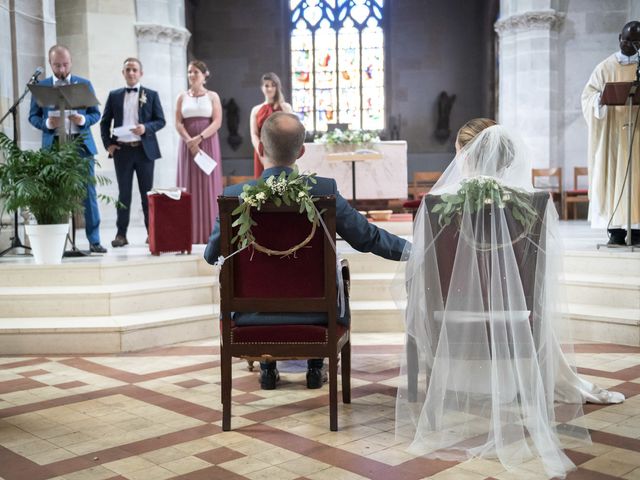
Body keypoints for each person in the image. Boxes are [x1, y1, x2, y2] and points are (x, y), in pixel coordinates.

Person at [394, 119, 624, 479]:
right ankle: (525, 386)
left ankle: (429, 395)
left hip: (451, 317)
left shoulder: (440, 203)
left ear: (465, 157)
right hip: (515, 317)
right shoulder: (532, 203)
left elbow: (423, 272)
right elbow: (541, 276)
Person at [205, 112, 407, 390]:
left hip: (249, 316)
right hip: (316, 316)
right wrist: (416, 250)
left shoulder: (235, 195)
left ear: (261, 148)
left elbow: (210, 255)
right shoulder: (324, 190)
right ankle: (315, 365)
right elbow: (367, 238)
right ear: (301, 151)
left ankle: (268, 367)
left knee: (263, 278)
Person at [28, 45, 106, 253]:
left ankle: (94, 240)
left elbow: (96, 114)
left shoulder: (83, 84)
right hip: (53, 147)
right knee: (55, 194)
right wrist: (46, 124)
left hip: (80, 145)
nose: (61, 69)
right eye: (57, 65)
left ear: (70, 62)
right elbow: (32, 116)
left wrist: (83, 119)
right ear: (50, 64)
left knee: (88, 193)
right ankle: (57, 243)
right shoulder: (42, 87)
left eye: (65, 64)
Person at [581, 21, 640, 246]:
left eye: (635, 42)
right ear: (619, 38)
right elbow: (587, 96)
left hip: (637, 137)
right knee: (612, 178)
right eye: (626, 41)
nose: (629, 46)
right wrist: (601, 99)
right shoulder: (605, 67)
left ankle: (637, 231)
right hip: (613, 138)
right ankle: (615, 232)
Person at [100, 57, 166, 247]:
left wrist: (146, 128)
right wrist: (108, 145)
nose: (131, 73)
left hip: (144, 152)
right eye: (127, 70)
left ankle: (151, 233)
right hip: (122, 152)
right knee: (124, 194)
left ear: (140, 73)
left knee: (147, 194)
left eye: (134, 70)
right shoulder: (114, 95)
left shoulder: (151, 94)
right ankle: (121, 234)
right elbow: (105, 122)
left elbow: (161, 120)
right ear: (123, 73)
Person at [175, 60, 224, 244]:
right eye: (189, 72)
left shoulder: (212, 96)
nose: (192, 75)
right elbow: (178, 122)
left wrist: (200, 138)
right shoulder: (182, 97)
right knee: (188, 185)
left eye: (195, 72)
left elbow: (217, 121)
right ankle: (188, 233)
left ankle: (211, 234)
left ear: (204, 75)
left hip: (207, 143)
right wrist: (189, 139)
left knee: (208, 185)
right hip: (188, 146)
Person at [250, 72, 292, 177]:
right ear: (261, 88)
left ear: (277, 87)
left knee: (282, 183)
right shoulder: (256, 110)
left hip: (281, 151)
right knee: (262, 187)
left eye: (273, 85)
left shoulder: (285, 108)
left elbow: (291, 130)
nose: (270, 89)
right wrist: (260, 151)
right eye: (266, 85)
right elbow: (254, 134)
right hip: (262, 151)